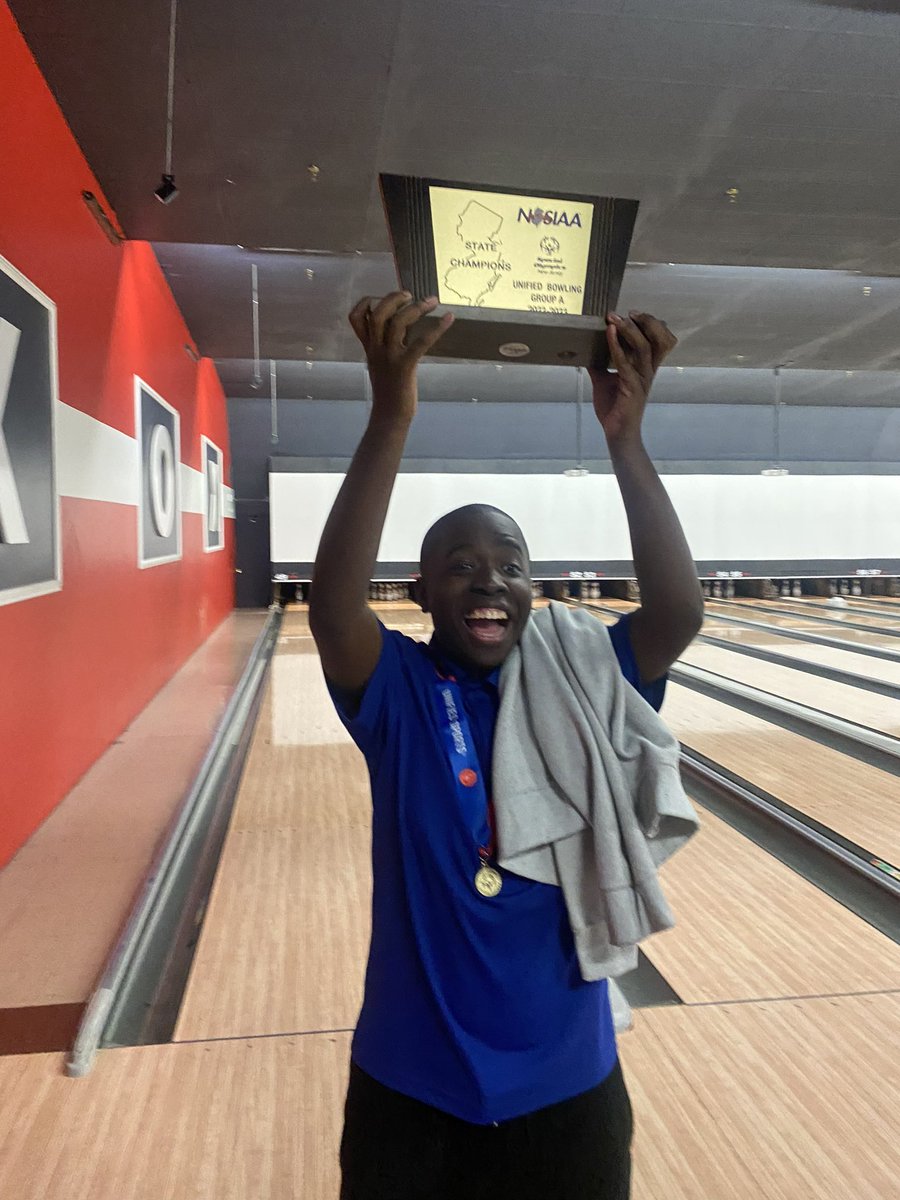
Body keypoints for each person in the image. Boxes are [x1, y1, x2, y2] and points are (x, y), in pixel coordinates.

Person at [310, 292, 703, 1200]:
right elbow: (333, 607)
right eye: (461, 565)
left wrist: (626, 441)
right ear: (422, 591)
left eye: (511, 565)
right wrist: (390, 411)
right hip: (411, 1084)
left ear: (533, 590)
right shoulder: (400, 693)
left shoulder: (580, 677)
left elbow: (678, 613)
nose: (490, 579)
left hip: (567, 1084)